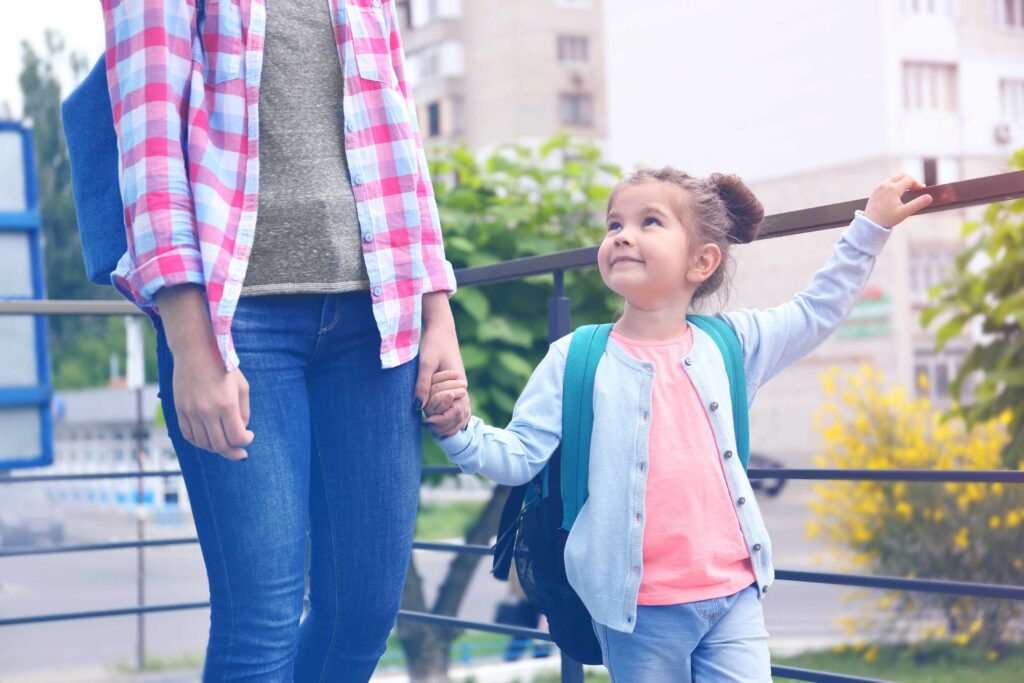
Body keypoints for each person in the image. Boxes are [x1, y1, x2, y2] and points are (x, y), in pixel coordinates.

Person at [424, 169, 932, 680]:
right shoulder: (575, 357)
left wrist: (871, 228)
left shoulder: (732, 343)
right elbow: (519, 456)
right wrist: (458, 431)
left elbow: (816, 310)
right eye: (613, 224)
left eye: (649, 222)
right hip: (635, 612)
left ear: (702, 261)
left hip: (734, 595)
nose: (621, 234)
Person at [100, 1, 470, 679]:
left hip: (378, 318)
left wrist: (436, 308)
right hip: (238, 324)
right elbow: (148, 145)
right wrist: (191, 344)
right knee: (259, 623)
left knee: (363, 613)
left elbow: (400, 138)